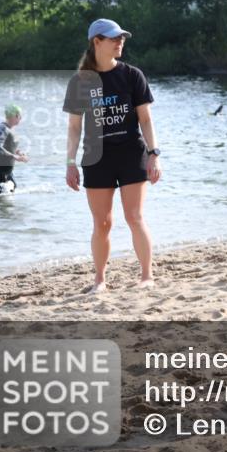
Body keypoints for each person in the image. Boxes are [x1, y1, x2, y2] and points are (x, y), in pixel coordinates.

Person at [64, 19, 162, 292]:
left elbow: (146, 120)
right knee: (102, 223)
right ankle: (100, 280)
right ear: (97, 42)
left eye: (122, 38)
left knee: (135, 217)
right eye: (114, 38)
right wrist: (70, 163)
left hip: (131, 153)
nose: (120, 42)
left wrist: (154, 154)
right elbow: (74, 128)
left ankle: (146, 277)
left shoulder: (132, 75)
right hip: (96, 158)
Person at [0, 104, 28, 193]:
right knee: (2, 199)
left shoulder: (10, 129)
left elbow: (9, 147)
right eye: (18, 115)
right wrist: (15, 157)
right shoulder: (2, 129)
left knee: (13, 194)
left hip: (8, 171)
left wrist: (19, 152)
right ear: (13, 116)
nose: (20, 118)